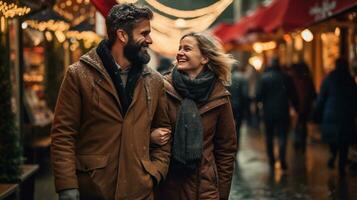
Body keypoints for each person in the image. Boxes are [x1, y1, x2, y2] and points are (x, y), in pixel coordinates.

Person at [51, 4, 171, 200]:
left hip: (139, 191)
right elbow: (63, 134)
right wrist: (66, 186)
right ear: (122, 35)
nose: (149, 40)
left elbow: (164, 130)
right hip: (92, 189)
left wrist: (155, 173)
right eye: (144, 33)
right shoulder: (78, 74)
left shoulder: (155, 80)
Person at [152, 32, 237, 200]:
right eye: (179, 48)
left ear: (204, 58)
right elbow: (142, 128)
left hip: (204, 190)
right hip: (168, 188)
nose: (180, 53)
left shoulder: (219, 97)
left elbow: (226, 150)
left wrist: (222, 194)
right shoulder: (162, 89)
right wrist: (151, 136)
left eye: (187, 49)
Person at [314, 58, 357, 176]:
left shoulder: (329, 79)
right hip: (346, 115)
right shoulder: (350, 80)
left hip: (331, 114)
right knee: (344, 142)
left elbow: (322, 97)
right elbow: (354, 98)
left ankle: (333, 155)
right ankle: (341, 166)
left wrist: (317, 111)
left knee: (333, 138)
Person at [256, 57, 298, 170]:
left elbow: (258, 95)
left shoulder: (264, 78)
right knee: (282, 136)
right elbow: (293, 94)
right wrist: (295, 107)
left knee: (269, 136)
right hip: (283, 111)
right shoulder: (286, 77)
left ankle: (271, 160)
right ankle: (282, 159)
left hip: (268, 112)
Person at [290, 61, 316, 153]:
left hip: (296, 107)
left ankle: (297, 142)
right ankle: (302, 144)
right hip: (305, 107)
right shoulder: (307, 79)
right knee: (303, 125)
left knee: (296, 125)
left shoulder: (293, 79)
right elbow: (313, 94)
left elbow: (291, 93)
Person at [228, 63, 247, 150]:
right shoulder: (242, 77)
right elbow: (245, 94)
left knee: (229, 127)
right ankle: (236, 146)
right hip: (239, 107)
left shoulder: (228, 77)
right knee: (238, 128)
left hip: (229, 106)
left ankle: (230, 145)